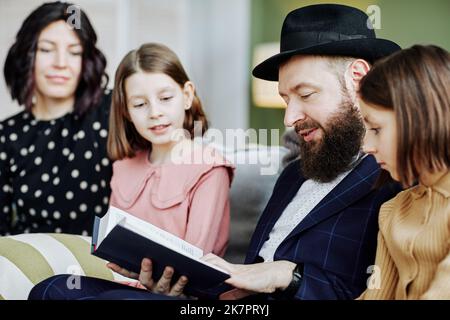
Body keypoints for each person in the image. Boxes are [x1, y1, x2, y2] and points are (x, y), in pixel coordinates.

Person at [31, 4, 402, 300]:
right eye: (286, 99)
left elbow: (376, 290)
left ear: (358, 76)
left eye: (305, 95)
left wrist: (288, 277)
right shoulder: (295, 173)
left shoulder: (395, 177)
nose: (290, 117)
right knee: (53, 288)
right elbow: (240, 277)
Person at [29, 43, 234, 299]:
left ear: (187, 95)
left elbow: (196, 262)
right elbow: (115, 249)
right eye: (140, 104)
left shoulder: (210, 168)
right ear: (126, 111)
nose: (155, 112)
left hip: (184, 295)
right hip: (129, 286)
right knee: (50, 288)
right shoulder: (124, 167)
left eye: (166, 98)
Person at [0, 1, 111, 236]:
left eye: (74, 52)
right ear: (26, 55)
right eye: (47, 49)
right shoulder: (6, 136)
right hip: (32, 267)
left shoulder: (113, 110)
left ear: (86, 61)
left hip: (106, 268)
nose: (61, 63)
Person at [356, 45, 450, 300]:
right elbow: (375, 295)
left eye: (375, 128)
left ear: (422, 118)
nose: (366, 147)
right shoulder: (393, 211)